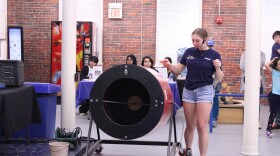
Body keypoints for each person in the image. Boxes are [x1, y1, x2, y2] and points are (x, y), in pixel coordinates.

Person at [160, 28, 224, 156]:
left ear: (205, 40)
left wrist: (217, 67)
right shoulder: (189, 52)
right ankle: (188, 150)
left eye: (197, 41)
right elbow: (178, 69)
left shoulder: (214, 55)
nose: (195, 43)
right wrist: (169, 65)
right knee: (190, 125)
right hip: (189, 90)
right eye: (193, 40)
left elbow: (219, 78)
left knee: (201, 125)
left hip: (205, 91)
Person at [239, 51, 266, 129]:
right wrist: (254, 66)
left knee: (257, 103)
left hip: (258, 82)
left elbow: (261, 65)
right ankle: (247, 121)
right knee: (248, 102)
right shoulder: (244, 54)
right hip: (247, 81)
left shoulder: (261, 54)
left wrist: (250, 66)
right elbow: (242, 66)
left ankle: (256, 121)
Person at [207, 39, 222, 127]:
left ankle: (214, 119)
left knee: (215, 101)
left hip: (215, 82)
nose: (210, 47)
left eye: (211, 45)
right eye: (209, 45)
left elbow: (220, 71)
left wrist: (216, 82)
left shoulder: (216, 56)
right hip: (206, 82)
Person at [264, 57, 280, 138]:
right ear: (277, 66)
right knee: (273, 113)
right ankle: (268, 130)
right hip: (274, 96)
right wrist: (273, 60)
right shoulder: (274, 72)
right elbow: (266, 65)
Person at [270, 30, 280, 130]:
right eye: (276, 37)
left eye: (279, 37)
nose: (277, 39)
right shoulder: (275, 46)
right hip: (275, 65)